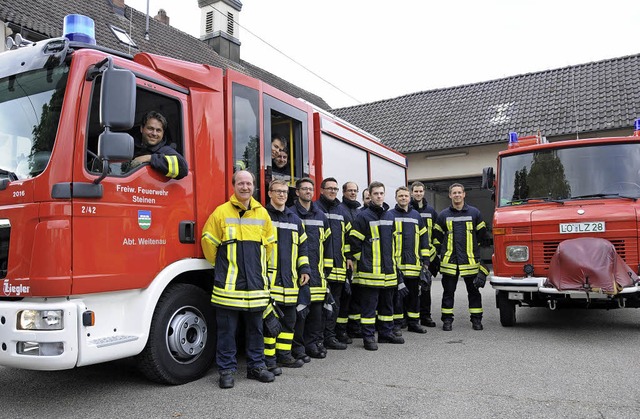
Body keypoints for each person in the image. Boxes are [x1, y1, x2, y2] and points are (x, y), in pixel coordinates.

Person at [201, 170, 277, 389]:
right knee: (227, 332)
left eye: (249, 183)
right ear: (233, 186)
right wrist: (223, 268)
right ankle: (226, 370)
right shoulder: (221, 212)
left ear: (254, 186)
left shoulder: (262, 213)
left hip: (255, 287)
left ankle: (256, 367)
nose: (245, 187)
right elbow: (208, 242)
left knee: (256, 330)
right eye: (241, 183)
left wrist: (261, 272)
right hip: (229, 287)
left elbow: (270, 246)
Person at [348, 181, 403, 350]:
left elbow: (394, 242)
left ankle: (386, 334)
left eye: (381, 193)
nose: (379, 196)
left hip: (388, 271)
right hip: (369, 272)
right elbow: (354, 242)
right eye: (376, 194)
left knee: (387, 305)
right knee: (369, 308)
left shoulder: (390, 216)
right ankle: (368, 337)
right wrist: (363, 261)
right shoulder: (362, 217)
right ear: (370, 196)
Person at [264, 180, 310, 373]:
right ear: (269, 193)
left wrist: (305, 269)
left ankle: (284, 356)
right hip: (270, 281)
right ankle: (269, 359)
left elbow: (303, 248)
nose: (282, 195)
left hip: (291, 282)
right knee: (269, 325)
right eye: (278, 191)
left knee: (289, 322)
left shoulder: (295, 220)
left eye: (284, 192)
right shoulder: (263, 216)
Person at [432, 183, 491, 332]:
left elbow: (483, 237)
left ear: (464, 194)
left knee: (474, 292)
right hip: (450, 262)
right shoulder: (443, 215)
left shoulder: (474, 213)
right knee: (448, 293)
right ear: (450, 195)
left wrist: (479, 257)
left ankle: (476, 320)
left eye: (459, 192)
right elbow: (436, 238)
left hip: (470, 261)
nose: (457, 195)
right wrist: (439, 256)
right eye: (454, 193)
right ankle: (447, 321)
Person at [290, 177, 333, 360]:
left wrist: (327, 269)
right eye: (304, 189)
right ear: (297, 192)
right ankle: (298, 347)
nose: (308, 192)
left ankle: (313, 345)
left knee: (316, 313)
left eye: (310, 189)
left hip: (318, 273)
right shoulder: (291, 214)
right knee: (300, 313)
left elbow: (328, 244)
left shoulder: (321, 216)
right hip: (297, 274)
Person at [389, 186, 432, 335]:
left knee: (414, 296)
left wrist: (425, 260)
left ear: (409, 198)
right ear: (396, 198)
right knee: (397, 297)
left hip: (414, 264)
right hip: (396, 265)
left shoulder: (416, 216)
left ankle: (414, 323)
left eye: (406, 196)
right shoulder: (389, 215)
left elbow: (424, 239)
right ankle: (397, 324)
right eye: (400, 196)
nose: (403, 198)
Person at [316, 177, 351, 350]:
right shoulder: (315, 208)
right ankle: (318, 338)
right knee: (318, 306)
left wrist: (349, 257)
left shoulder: (342, 211)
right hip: (319, 269)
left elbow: (349, 237)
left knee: (334, 304)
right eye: (329, 188)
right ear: (321, 190)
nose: (332, 191)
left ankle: (329, 336)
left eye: (335, 189)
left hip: (338, 268)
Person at [410, 181, 439, 328]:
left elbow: (436, 233)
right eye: (416, 191)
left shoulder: (431, 211)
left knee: (425, 287)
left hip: (427, 256)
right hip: (411, 256)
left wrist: (433, 251)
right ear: (412, 192)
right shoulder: (407, 210)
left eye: (420, 191)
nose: (418, 194)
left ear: (424, 192)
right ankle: (408, 318)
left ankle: (426, 316)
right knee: (411, 289)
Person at [126, 111, 188, 179]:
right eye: (150, 128)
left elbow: (183, 168)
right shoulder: (129, 146)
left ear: (163, 133)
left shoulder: (165, 150)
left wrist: (150, 158)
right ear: (142, 129)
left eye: (158, 130)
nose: (154, 133)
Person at [338, 181, 362, 342]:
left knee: (356, 296)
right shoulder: (341, 210)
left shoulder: (358, 211)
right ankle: (341, 330)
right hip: (347, 261)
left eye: (355, 191)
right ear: (344, 192)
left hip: (359, 261)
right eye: (350, 190)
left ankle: (354, 327)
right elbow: (346, 238)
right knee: (345, 297)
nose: (353, 193)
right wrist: (348, 257)